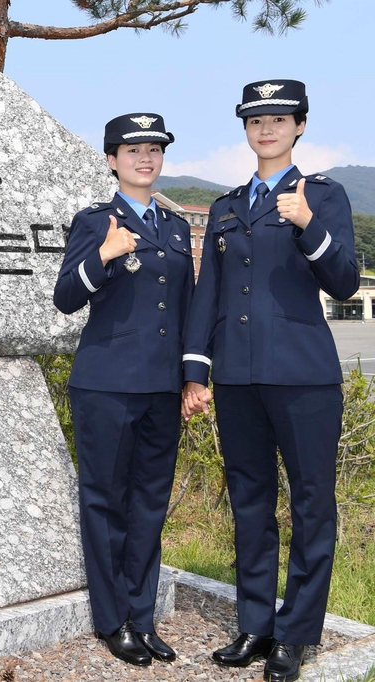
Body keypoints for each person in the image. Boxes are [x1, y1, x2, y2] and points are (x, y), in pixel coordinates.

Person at [182, 80, 359, 682]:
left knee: (312, 503)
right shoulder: (228, 206)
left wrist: (309, 223)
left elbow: (343, 281)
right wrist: (196, 371)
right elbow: (209, 294)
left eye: (279, 119)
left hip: (305, 378)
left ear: (300, 126)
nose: (267, 128)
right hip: (236, 378)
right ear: (246, 128)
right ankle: (255, 624)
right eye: (256, 120)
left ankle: (297, 633)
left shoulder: (324, 196)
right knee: (250, 501)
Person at [54, 114, 194, 667]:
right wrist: (104, 256)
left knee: (150, 505)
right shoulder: (94, 222)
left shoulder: (176, 226)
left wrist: (191, 376)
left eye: (154, 149)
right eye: (133, 149)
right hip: (106, 385)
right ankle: (112, 621)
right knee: (105, 502)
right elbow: (66, 296)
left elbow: (185, 308)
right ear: (112, 159)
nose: (145, 157)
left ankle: (142, 615)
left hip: (161, 388)